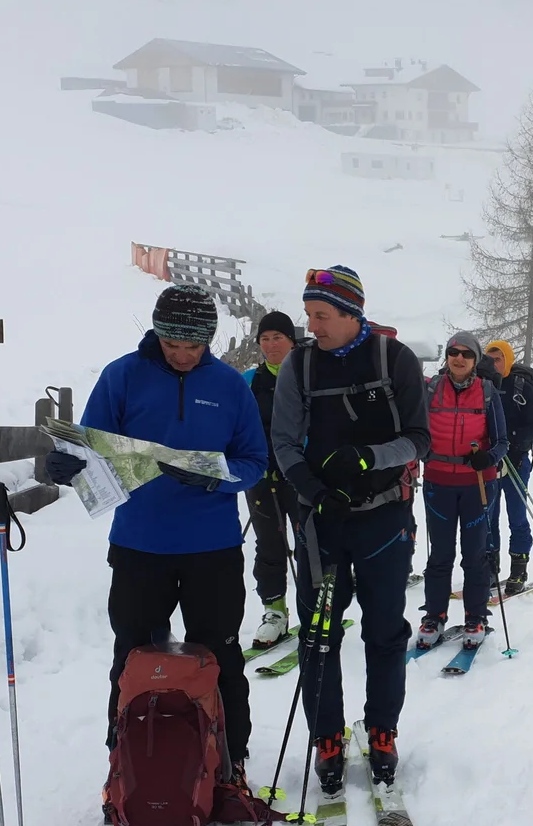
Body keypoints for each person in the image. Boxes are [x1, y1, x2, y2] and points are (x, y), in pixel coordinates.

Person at [44, 284, 270, 774]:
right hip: (139, 545)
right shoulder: (121, 376)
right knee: (133, 653)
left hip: (213, 547)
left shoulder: (231, 387)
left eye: (194, 346)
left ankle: (231, 756)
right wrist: (66, 465)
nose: (184, 355)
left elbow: (255, 462)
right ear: (157, 334)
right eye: (173, 345)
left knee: (220, 653)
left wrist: (217, 476)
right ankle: (123, 753)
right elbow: (91, 449)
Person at [271, 266, 430, 790]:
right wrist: (315, 492)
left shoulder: (394, 360)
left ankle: (383, 729)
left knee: (385, 630)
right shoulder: (300, 366)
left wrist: (366, 459)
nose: (312, 325)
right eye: (309, 314)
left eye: (321, 315)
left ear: (351, 314)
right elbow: (285, 443)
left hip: (385, 516)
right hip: (323, 522)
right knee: (319, 636)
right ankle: (328, 737)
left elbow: (417, 439)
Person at [417, 331, 508, 650]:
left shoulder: (487, 392)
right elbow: (416, 432)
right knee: (440, 555)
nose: (458, 358)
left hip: (477, 486)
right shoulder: (430, 390)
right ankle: (434, 615)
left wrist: (488, 457)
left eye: (466, 354)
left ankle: (475, 616)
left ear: (474, 359)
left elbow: (501, 442)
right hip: (438, 483)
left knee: (475, 556)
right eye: (453, 352)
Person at [240, 311, 301, 648]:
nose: (270, 344)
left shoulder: (309, 375)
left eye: (277, 337)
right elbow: (238, 426)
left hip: (302, 475)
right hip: (262, 476)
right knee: (269, 544)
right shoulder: (250, 379)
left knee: (310, 543)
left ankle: (313, 606)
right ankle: (274, 612)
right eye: (264, 338)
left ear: (291, 341)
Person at [483, 339, 533, 596]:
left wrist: (515, 445)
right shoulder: (484, 386)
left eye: (499, 359)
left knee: (517, 515)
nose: (495, 364)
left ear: (507, 359)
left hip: (516, 461)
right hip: (489, 461)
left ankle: (519, 567)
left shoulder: (521, 386)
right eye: (491, 359)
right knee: (488, 516)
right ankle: (489, 568)